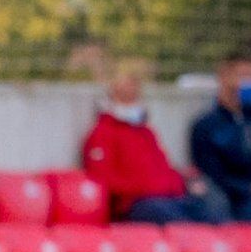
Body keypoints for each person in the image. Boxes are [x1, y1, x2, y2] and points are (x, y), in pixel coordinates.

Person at [82, 56, 230, 224]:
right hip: (137, 204)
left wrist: (180, 182)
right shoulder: (102, 134)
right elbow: (103, 179)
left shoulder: (145, 132)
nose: (131, 101)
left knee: (212, 210)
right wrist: (146, 187)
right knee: (177, 222)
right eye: (124, 96)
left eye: (134, 95)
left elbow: (163, 168)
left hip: (169, 197)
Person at [191, 51, 251, 220]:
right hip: (227, 197)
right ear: (224, 77)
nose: (247, 82)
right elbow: (210, 173)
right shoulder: (206, 125)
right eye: (242, 75)